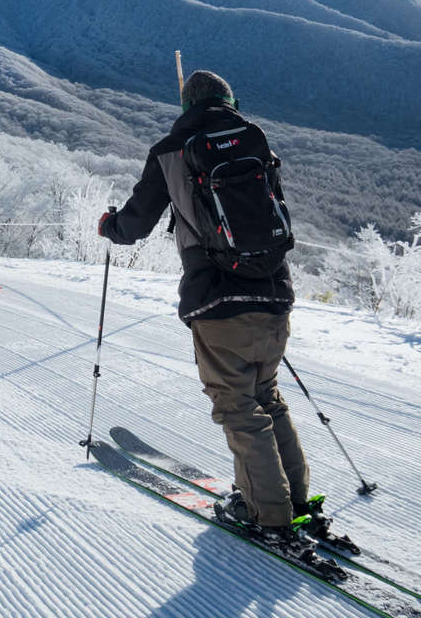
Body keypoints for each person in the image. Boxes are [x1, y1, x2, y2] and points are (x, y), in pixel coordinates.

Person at [97, 70, 310, 545]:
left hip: (217, 300)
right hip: (275, 295)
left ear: (185, 106)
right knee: (267, 397)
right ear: (229, 100)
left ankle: (268, 515)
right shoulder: (254, 140)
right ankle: (294, 499)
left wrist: (109, 225)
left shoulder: (171, 151)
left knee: (238, 407)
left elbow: (134, 225)